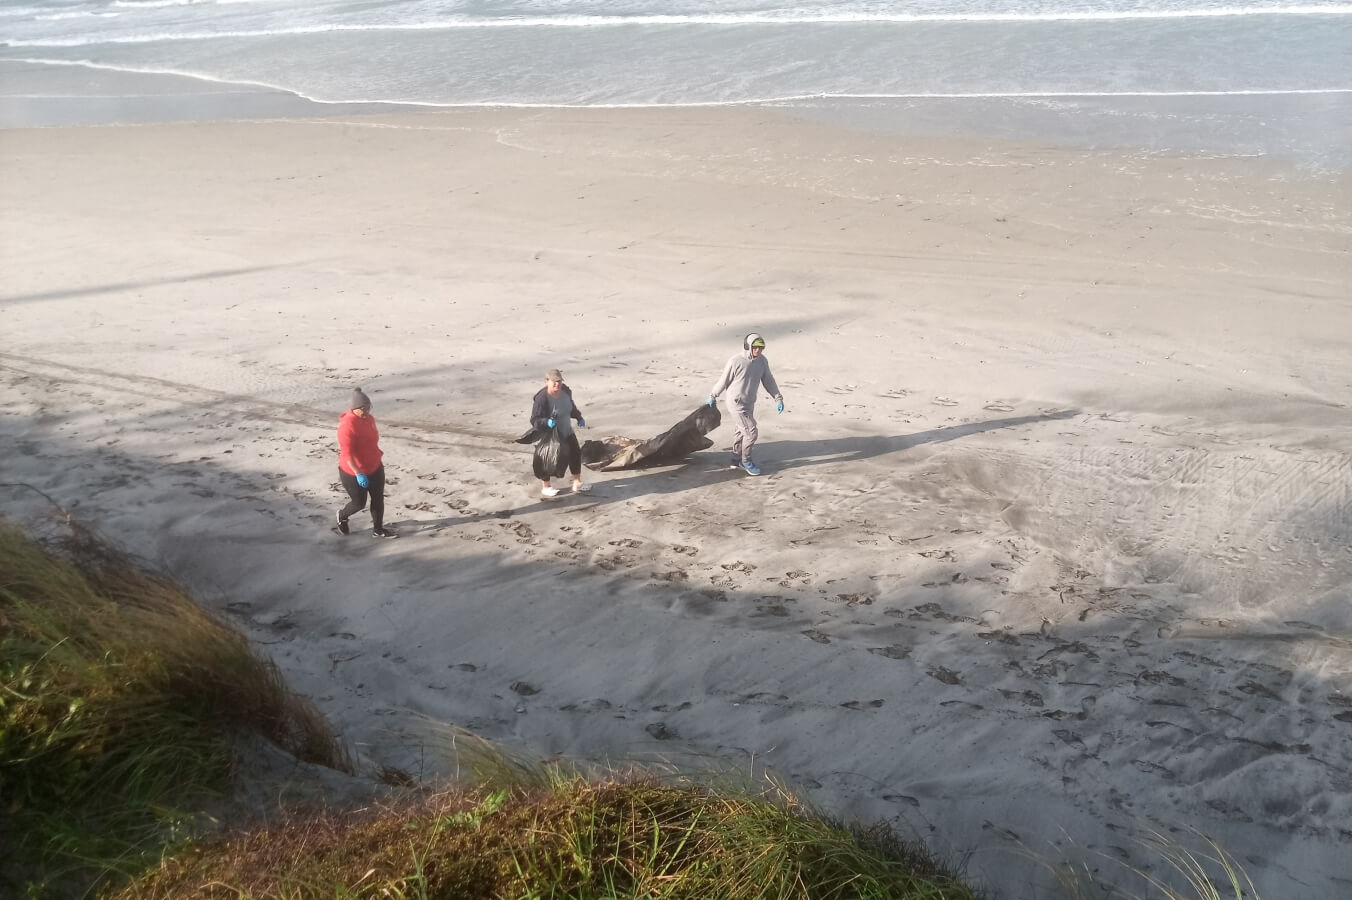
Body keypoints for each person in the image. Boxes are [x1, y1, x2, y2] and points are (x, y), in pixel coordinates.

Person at [706, 332, 784, 476]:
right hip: (736, 403)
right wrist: (713, 395)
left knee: (741, 431)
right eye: (755, 347)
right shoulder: (735, 361)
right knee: (751, 431)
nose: (758, 351)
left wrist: (778, 398)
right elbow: (724, 380)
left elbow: (768, 380)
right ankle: (746, 461)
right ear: (748, 346)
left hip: (749, 403)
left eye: (761, 348)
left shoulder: (762, 361)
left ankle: (736, 459)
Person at [336, 387, 397, 538]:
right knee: (359, 504)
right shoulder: (347, 426)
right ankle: (342, 516)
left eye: (369, 407)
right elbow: (347, 454)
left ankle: (378, 530)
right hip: (352, 471)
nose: (367, 411)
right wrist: (358, 473)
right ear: (355, 408)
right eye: (364, 408)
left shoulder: (369, 419)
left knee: (378, 499)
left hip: (375, 466)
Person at [530, 368, 588, 497]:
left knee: (575, 453)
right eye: (554, 381)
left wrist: (578, 417)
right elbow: (534, 420)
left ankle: (577, 482)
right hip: (550, 434)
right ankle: (546, 486)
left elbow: (570, 406)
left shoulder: (566, 392)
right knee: (547, 457)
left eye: (559, 381)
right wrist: (546, 422)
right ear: (547, 381)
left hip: (567, 430)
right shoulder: (542, 398)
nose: (557, 384)